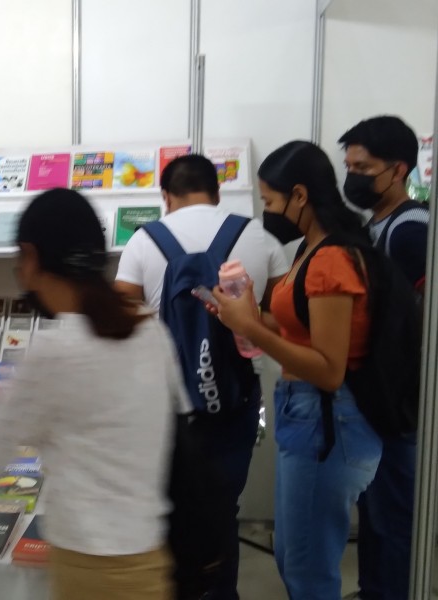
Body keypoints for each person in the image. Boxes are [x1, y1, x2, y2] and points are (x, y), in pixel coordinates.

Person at [0, 188, 190, 600]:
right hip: (151, 558)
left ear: (30, 255)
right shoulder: (151, 329)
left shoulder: (57, 350)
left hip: (91, 568)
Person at [214, 141, 383, 599]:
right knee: (294, 553)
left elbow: (329, 369)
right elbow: (299, 326)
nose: (267, 212)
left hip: (328, 418)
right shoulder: (310, 249)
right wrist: (247, 309)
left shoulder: (330, 259)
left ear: (301, 196)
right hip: (307, 415)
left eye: (270, 201)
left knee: (308, 567)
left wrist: (251, 326)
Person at [114, 154, 288, 600]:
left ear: (165, 196)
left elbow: (119, 321)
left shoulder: (142, 242)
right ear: (216, 192)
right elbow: (289, 322)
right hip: (235, 401)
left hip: (164, 406)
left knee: (168, 508)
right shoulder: (258, 236)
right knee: (222, 510)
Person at [340, 115, 426, 600]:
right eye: (349, 165)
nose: (353, 176)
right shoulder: (373, 226)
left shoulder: (410, 232)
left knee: (393, 513)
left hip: (399, 400)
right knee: (374, 508)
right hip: (374, 396)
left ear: (398, 170)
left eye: (364, 167)